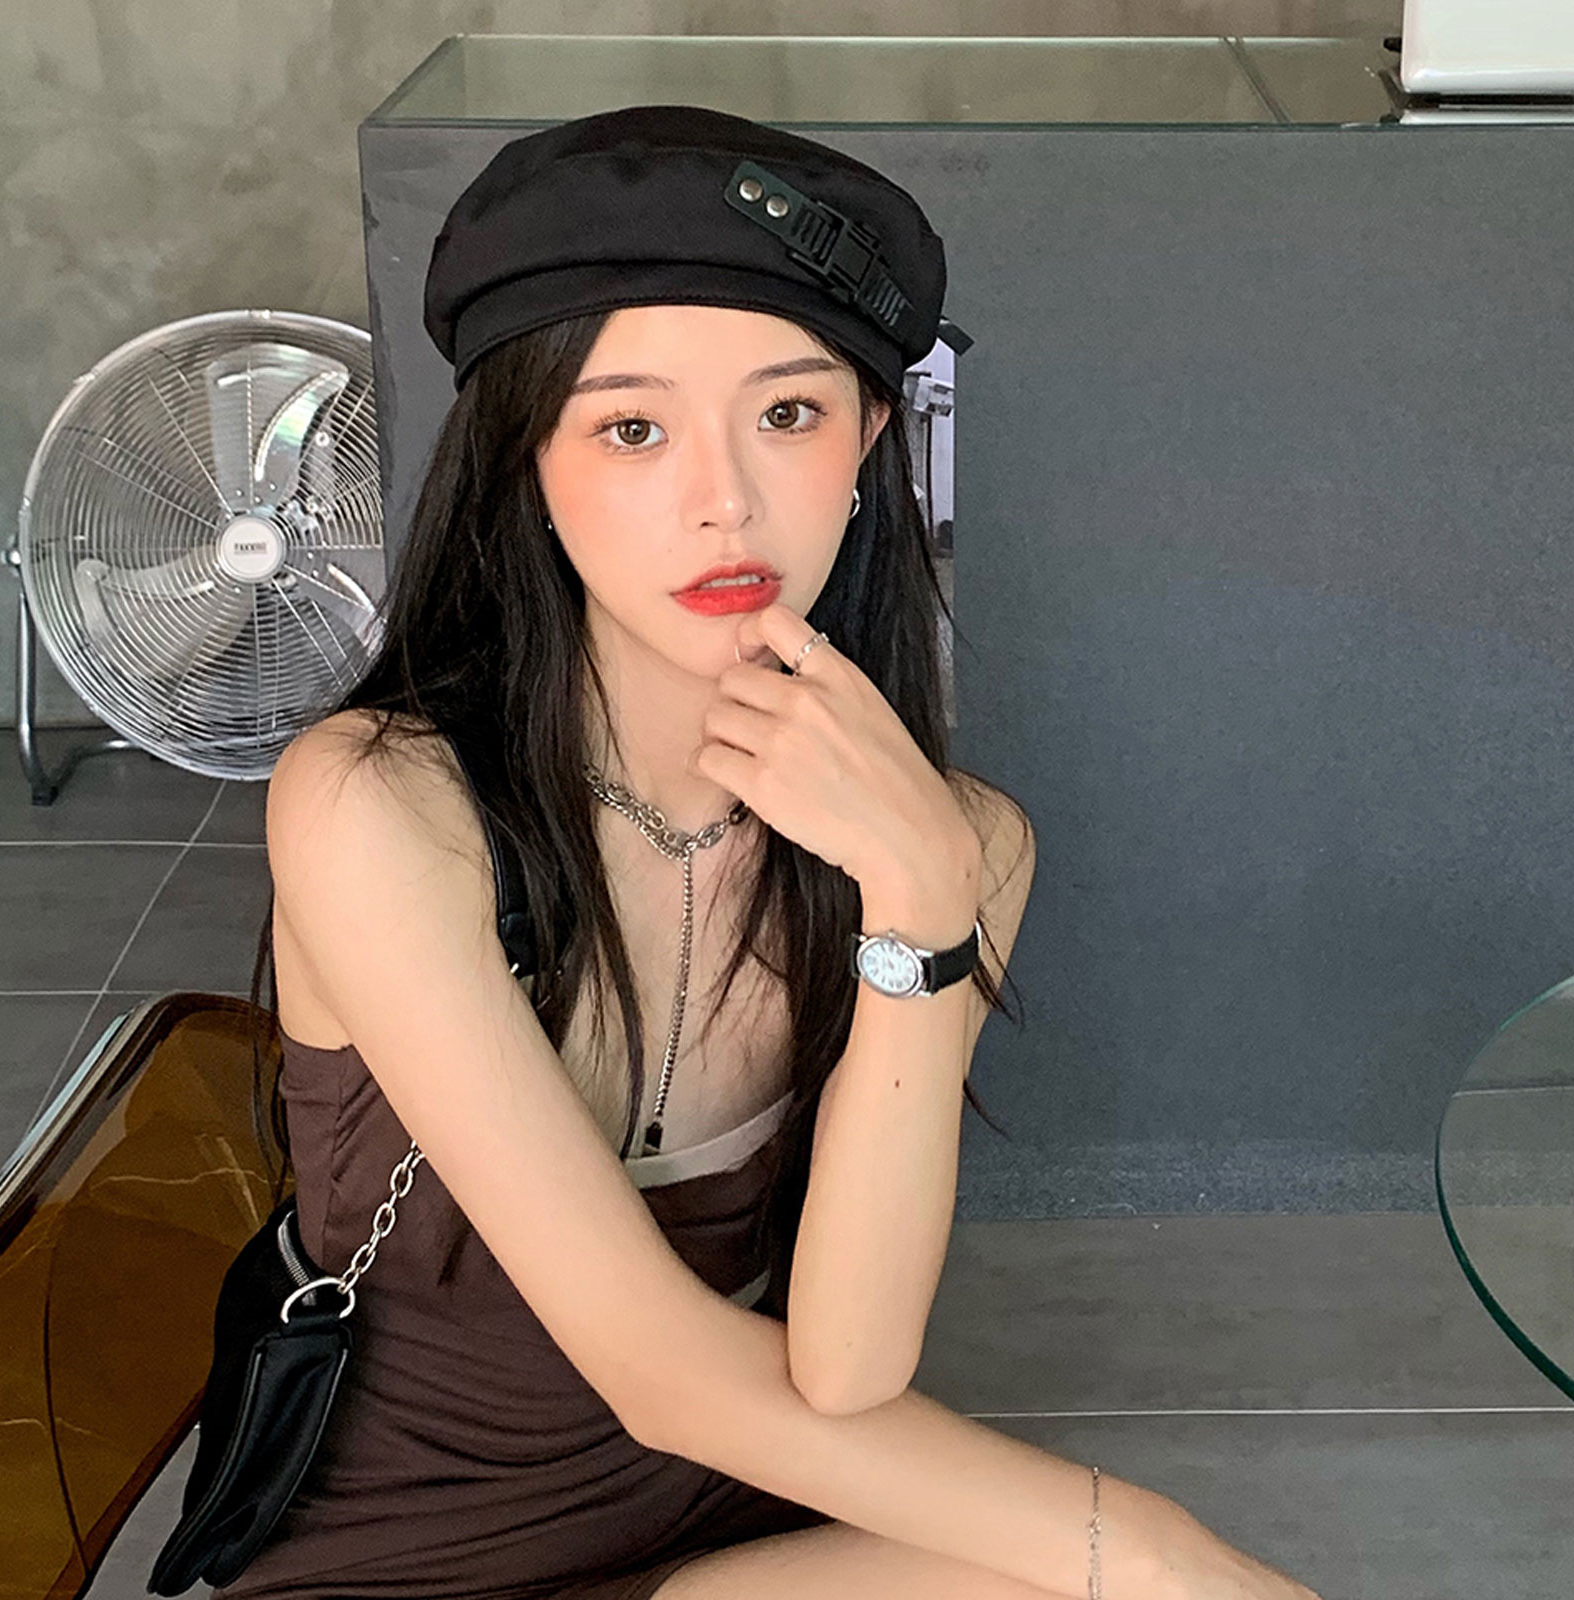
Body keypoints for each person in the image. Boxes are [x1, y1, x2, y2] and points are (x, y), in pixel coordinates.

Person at [219, 106, 1321, 1600]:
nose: (724, 498)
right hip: (412, 1563)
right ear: (524, 461)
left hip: (734, 1523)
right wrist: (1152, 1546)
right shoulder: (376, 806)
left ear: (870, 441)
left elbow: (851, 1366)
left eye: (789, 413)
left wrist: (922, 904)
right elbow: (664, 1376)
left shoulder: (961, 846)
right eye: (631, 428)